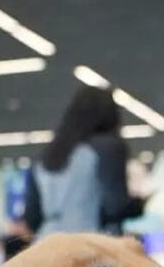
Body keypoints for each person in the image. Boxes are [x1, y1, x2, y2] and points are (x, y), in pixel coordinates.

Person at [24, 85, 145, 239]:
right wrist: (138, 206)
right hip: (90, 243)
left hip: (47, 242)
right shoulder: (108, 147)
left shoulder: (45, 157)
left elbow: (32, 217)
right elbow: (115, 206)